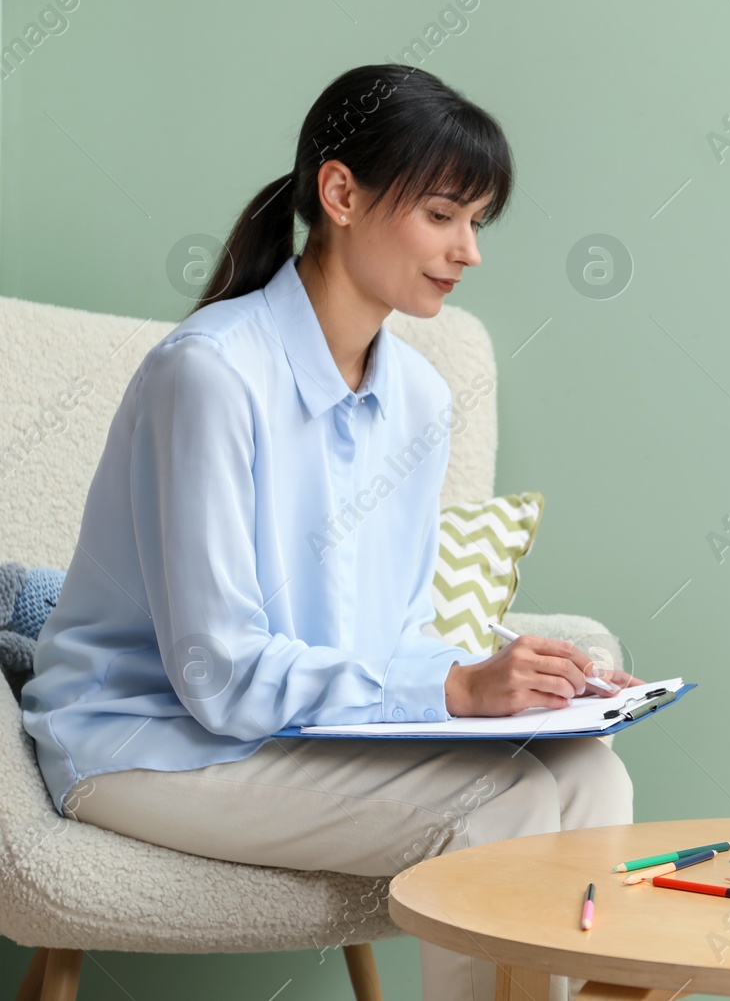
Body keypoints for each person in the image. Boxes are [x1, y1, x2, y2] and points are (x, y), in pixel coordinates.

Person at [21, 64, 637, 1001]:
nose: (468, 250)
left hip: (295, 730)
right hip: (151, 738)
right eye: (442, 214)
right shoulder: (211, 376)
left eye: (477, 221)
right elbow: (218, 675)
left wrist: (538, 682)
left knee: (586, 771)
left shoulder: (421, 399)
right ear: (340, 193)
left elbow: (395, 630)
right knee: (500, 803)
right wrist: (453, 688)